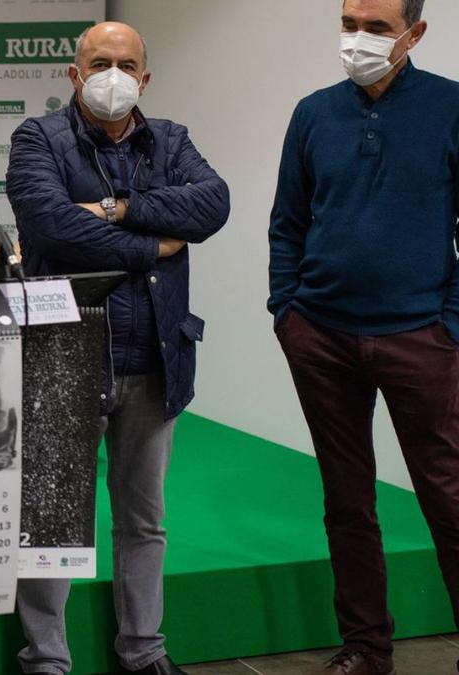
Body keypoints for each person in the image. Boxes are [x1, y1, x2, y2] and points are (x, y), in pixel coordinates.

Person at [6, 21, 229, 675]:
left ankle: (143, 650)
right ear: (74, 74)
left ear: (145, 77)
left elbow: (212, 205)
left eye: (126, 63)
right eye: (99, 61)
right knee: (53, 521)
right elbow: (52, 223)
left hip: (155, 356)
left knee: (144, 518)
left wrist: (117, 209)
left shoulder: (174, 140)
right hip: (63, 353)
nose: (113, 74)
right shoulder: (38, 139)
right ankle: (45, 656)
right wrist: (152, 239)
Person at [269, 0, 459, 673]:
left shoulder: (450, 106)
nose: (359, 39)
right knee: (347, 499)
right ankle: (366, 646)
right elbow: (288, 221)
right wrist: (286, 310)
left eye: (377, 27)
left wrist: (449, 324)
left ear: (416, 33)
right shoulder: (313, 113)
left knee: (449, 494)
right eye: (350, 23)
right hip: (320, 335)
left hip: (419, 337)